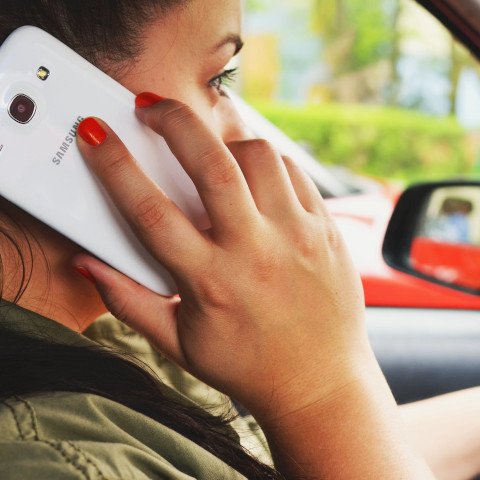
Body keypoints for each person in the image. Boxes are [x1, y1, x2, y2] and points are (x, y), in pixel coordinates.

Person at [0, 1, 478, 479]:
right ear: (60, 106)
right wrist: (320, 385)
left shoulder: (111, 334)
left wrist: (329, 393)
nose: (243, 131)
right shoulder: (53, 462)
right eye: (218, 79)